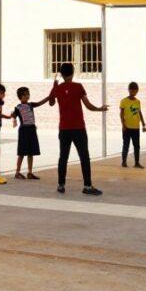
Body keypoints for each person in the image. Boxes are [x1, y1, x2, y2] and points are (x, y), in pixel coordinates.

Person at [35, 63, 108, 195]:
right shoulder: (78, 87)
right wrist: (100, 109)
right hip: (78, 128)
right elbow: (88, 105)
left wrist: (54, 87)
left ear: (61, 74)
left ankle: (61, 185)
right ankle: (87, 186)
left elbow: (51, 103)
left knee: (63, 156)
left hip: (64, 128)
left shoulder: (58, 88)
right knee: (84, 156)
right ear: (73, 72)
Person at [6, 86, 42, 180]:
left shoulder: (30, 105)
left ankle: (30, 172)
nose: (27, 96)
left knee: (31, 152)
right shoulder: (18, 107)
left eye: (28, 94)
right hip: (24, 131)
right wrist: (14, 120)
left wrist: (49, 97)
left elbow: (40, 103)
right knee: (22, 152)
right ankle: (17, 172)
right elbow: (13, 115)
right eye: (25, 94)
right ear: (20, 97)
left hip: (32, 129)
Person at [119, 81, 146, 168]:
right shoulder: (124, 101)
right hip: (127, 127)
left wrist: (143, 124)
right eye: (132, 90)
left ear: (137, 91)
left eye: (135, 91)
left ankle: (137, 163)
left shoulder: (137, 101)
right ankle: (124, 162)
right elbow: (121, 113)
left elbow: (139, 112)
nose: (134, 92)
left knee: (137, 146)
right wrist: (123, 125)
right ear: (129, 90)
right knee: (126, 145)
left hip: (136, 127)